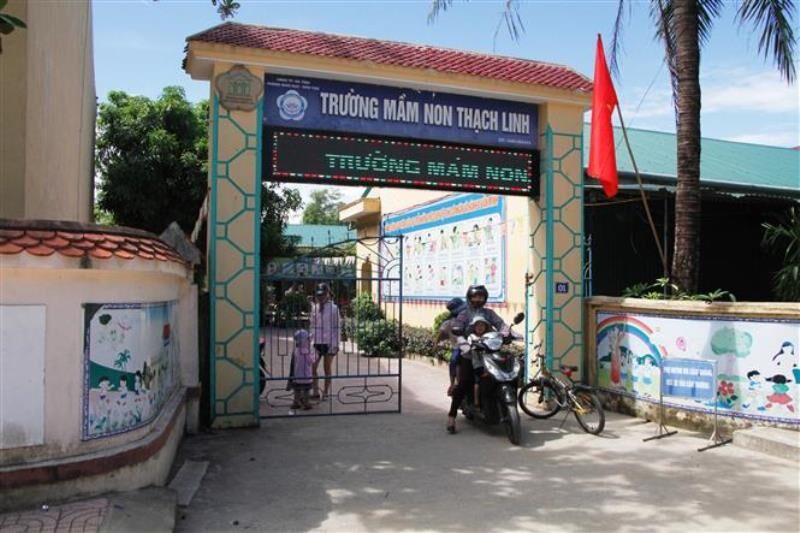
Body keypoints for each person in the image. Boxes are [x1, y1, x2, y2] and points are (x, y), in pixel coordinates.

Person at [309, 282, 341, 401]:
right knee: (312, 368)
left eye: (322, 294)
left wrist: (336, 344)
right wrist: (310, 339)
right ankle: (315, 391)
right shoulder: (315, 308)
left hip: (329, 343)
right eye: (318, 295)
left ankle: (326, 392)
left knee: (327, 368)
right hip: (316, 342)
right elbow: (312, 324)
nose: (320, 297)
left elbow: (337, 327)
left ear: (327, 294)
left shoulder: (334, 309)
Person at [436, 297, 467, 396]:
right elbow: (441, 335)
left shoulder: (472, 318)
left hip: (474, 346)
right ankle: (453, 384)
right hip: (459, 348)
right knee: (454, 360)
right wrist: (437, 344)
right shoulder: (449, 322)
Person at [289, 329, 316, 412]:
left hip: (297, 375)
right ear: (304, 341)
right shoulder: (306, 351)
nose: (309, 342)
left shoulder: (296, 350)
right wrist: (315, 355)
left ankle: (295, 403)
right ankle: (306, 403)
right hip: (306, 376)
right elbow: (310, 361)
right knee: (306, 391)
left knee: (297, 390)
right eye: (308, 340)